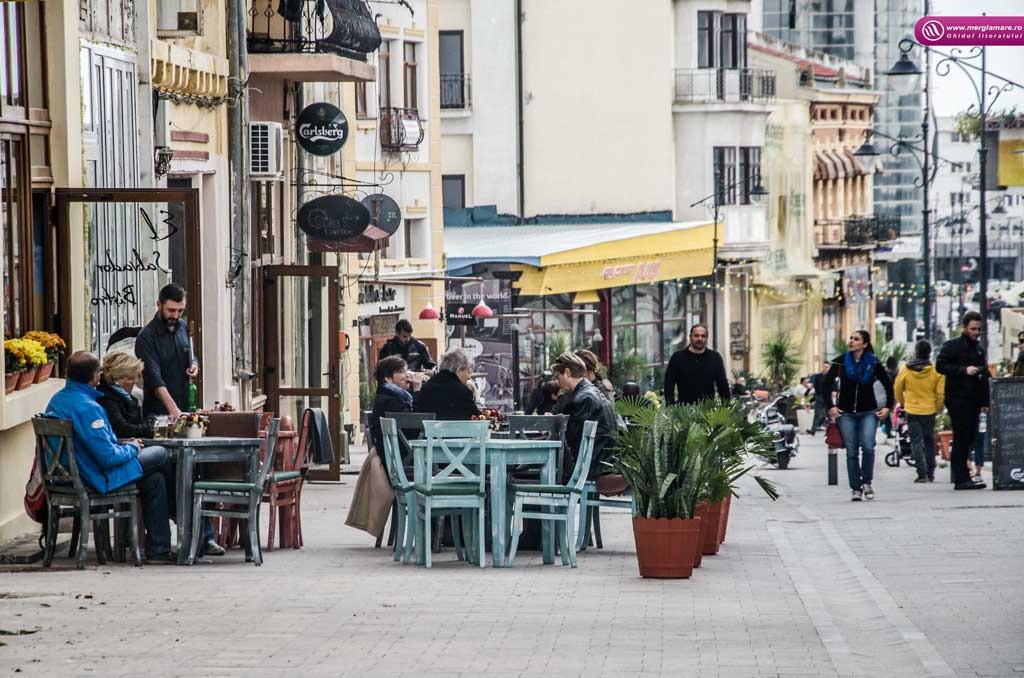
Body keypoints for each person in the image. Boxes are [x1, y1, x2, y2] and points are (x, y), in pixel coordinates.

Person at [44, 352, 176, 561]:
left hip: (68, 474)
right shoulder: (89, 408)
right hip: (96, 477)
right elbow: (109, 457)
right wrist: (132, 447)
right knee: (160, 454)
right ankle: (177, 512)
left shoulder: (57, 400)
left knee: (155, 480)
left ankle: (159, 550)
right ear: (95, 376)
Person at [826, 330, 894, 501]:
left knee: (868, 446)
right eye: (850, 338)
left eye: (856, 339)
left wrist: (888, 407)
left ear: (864, 344)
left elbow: (888, 384)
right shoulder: (841, 363)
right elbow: (826, 384)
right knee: (851, 450)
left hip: (868, 411)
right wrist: (831, 407)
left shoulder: (873, 362)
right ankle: (856, 488)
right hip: (846, 413)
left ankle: (867, 483)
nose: (851, 341)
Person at [936, 311, 989, 490]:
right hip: (957, 397)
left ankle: (964, 474)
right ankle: (960, 476)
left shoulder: (979, 349)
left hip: (973, 398)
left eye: (979, 329)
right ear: (964, 327)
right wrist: (963, 370)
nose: (976, 332)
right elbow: (940, 366)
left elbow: (983, 375)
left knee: (969, 438)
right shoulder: (953, 346)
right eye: (973, 329)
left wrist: (985, 402)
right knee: (961, 436)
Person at [135, 284, 199, 421]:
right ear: (159, 305)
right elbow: (154, 378)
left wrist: (194, 364)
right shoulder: (146, 336)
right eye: (171, 310)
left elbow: (192, 354)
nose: (175, 316)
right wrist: (173, 409)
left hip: (186, 405)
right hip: (159, 413)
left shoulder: (183, 326)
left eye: (180, 311)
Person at [550, 352, 617, 479]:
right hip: (606, 462)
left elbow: (569, 439)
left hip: (595, 467)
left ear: (568, 373)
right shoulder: (592, 392)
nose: (557, 381)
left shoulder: (581, 399)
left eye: (558, 375)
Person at [894, 341, 945, 483]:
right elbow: (941, 393)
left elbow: (897, 388)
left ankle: (921, 473)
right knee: (929, 441)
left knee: (915, 442)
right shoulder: (935, 371)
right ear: (929, 353)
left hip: (912, 409)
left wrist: (903, 402)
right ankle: (930, 472)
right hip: (929, 410)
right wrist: (936, 406)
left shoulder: (906, 369)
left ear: (916, 352)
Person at [663, 324, 730, 405]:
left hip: (708, 411)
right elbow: (669, 384)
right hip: (684, 410)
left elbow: (722, 385)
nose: (700, 339)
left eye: (703, 336)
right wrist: (671, 405)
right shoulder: (678, 358)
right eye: (696, 335)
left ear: (707, 338)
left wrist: (726, 408)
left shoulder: (715, 358)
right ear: (690, 337)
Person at [367, 356, 417, 456]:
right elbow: (413, 425)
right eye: (401, 371)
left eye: (407, 370)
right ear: (388, 378)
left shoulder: (399, 396)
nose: (407, 375)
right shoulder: (389, 401)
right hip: (399, 455)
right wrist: (417, 391)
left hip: (398, 451)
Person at [97, 351, 154, 439]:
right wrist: (151, 429)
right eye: (131, 378)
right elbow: (122, 430)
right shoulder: (106, 399)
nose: (135, 382)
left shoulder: (130, 398)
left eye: (136, 377)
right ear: (116, 378)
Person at [414, 348, 480, 420]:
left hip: (431, 430)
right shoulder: (463, 392)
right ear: (459, 370)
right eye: (468, 372)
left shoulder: (426, 387)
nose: (469, 377)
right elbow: (477, 418)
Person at [808, 363, 833, 435]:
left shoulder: (831, 376)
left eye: (827, 367)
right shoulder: (818, 376)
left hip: (828, 396)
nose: (825, 368)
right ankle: (813, 430)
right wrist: (811, 399)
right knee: (817, 414)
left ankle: (829, 431)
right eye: (824, 366)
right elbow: (815, 387)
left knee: (829, 414)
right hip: (819, 396)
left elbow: (834, 387)